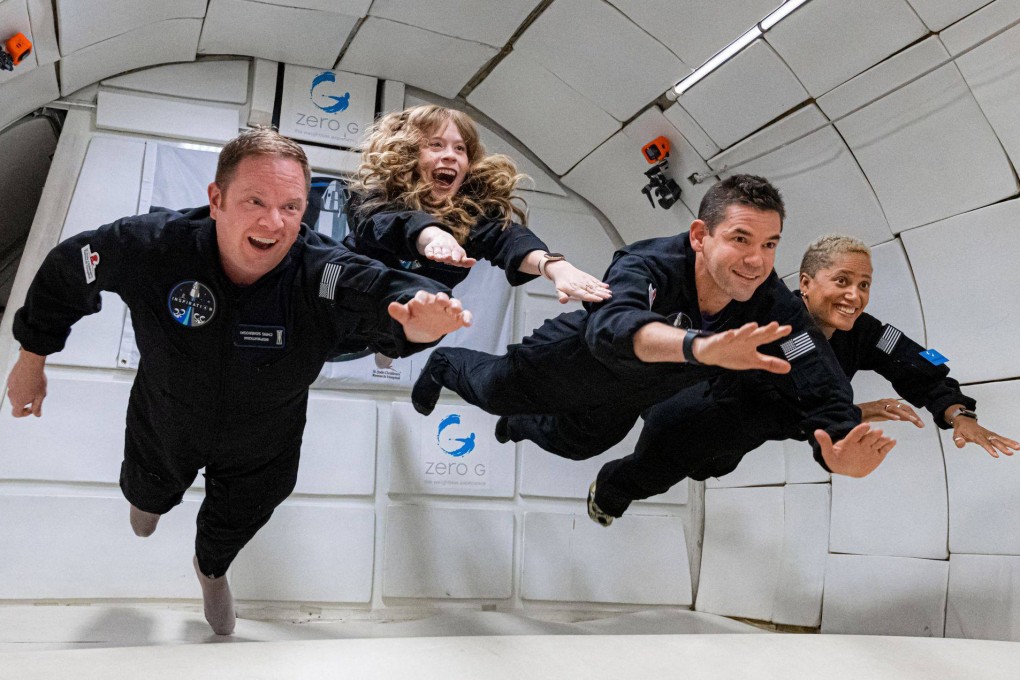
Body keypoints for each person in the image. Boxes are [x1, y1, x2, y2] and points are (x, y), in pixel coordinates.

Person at [4, 127, 472, 635]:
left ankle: (211, 571)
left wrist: (418, 327)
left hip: (263, 440)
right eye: (256, 201)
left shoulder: (320, 271)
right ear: (216, 199)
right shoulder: (155, 246)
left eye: (292, 207)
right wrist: (33, 357)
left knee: (234, 523)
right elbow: (67, 273)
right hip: (165, 418)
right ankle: (150, 501)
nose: (274, 223)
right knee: (146, 498)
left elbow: (389, 292)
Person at [411, 175, 894, 486]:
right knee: (496, 391)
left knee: (578, 446)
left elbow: (815, 370)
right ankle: (446, 362)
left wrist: (837, 445)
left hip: (634, 393)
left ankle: (519, 427)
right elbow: (611, 326)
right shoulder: (649, 262)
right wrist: (698, 348)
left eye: (769, 245)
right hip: (572, 360)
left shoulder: (772, 300)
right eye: (740, 239)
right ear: (701, 236)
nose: (756, 260)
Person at [587, 234, 1016, 526]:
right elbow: (786, 395)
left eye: (864, 284)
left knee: (711, 468)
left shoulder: (863, 332)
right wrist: (851, 413)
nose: (855, 296)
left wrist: (957, 413)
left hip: (740, 440)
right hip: (691, 417)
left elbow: (914, 364)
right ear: (806, 284)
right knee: (641, 476)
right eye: (843, 281)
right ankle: (605, 491)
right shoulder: (767, 316)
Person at [341, 104, 611, 304]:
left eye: (460, 149)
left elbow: (509, 239)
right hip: (348, 296)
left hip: (406, 323)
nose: (451, 156)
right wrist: (433, 235)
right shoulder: (373, 195)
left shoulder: (472, 215)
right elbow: (385, 222)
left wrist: (554, 267)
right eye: (436, 145)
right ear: (408, 153)